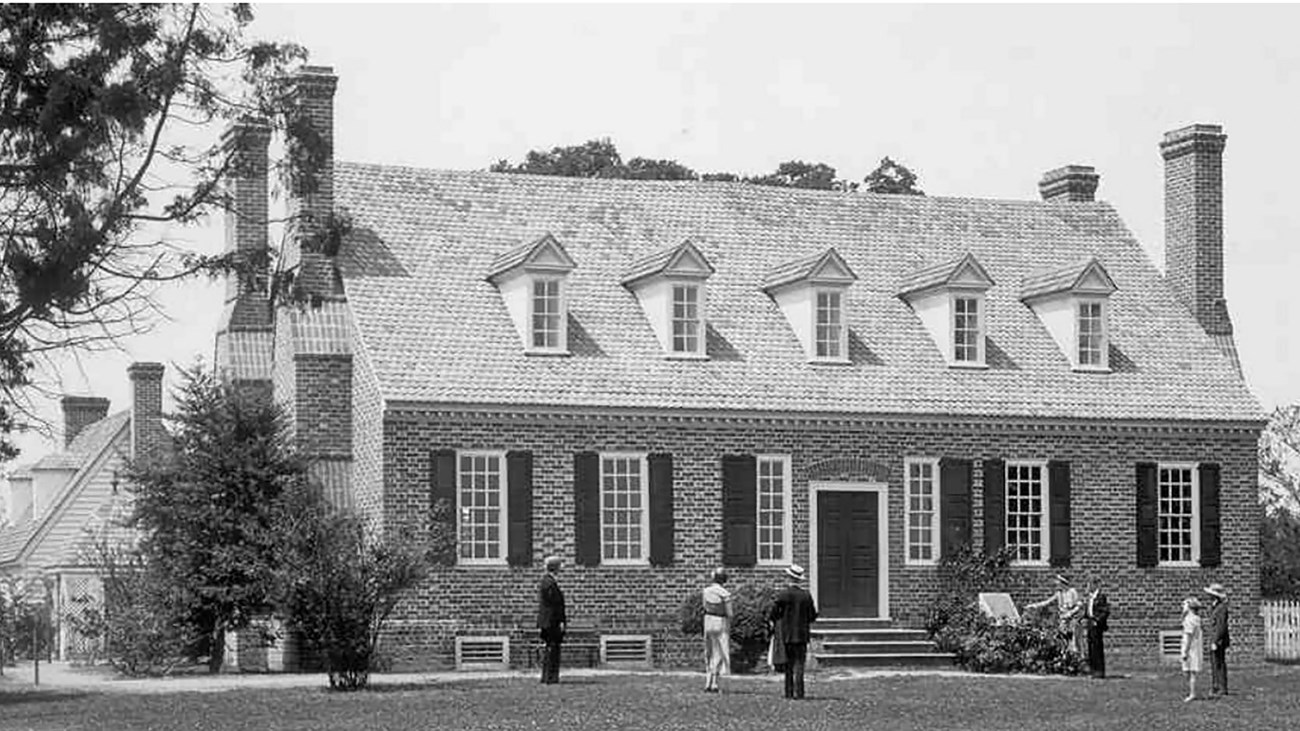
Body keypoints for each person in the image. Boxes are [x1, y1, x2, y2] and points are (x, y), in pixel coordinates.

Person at [768, 564, 817, 700]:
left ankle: (789, 692)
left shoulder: (783, 595)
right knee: (800, 664)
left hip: (787, 634)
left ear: (789, 577)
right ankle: (800, 693)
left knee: (788, 664)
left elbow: (774, 613)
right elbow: (812, 615)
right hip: (802, 634)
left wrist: (774, 621)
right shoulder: (806, 596)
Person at [1026, 574, 1082, 655]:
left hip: (1072, 618)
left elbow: (1078, 605)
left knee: (1072, 640)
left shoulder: (1072, 592)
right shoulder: (1059, 594)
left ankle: (1075, 655)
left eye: (1059, 582)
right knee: (1063, 638)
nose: (1058, 584)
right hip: (1062, 619)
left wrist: (1070, 613)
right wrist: (1034, 605)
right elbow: (1047, 602)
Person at [701, 567, 734, 693]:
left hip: (708, 620)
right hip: (721, 621)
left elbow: (704, 606)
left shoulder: (706, 591)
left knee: (708, 651)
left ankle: (707, 681)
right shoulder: (725, 593)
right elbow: (730, 613)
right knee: (719, 651)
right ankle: (714, 682)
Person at [537, 555, 566, 685]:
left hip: (548, 620)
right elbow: (555, 605)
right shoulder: (549, 583)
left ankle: (548, 676)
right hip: (551, 621)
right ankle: (551, 676)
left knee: (550, 648)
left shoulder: (547, 581)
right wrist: (560, 621)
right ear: (556, 568)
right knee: (553, 648)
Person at [1082, 573, 1110, 678]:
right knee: (1090, 647)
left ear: (1095, 585)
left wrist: (1097, 620)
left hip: (1096, 625)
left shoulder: (1101, 596)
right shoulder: (1090, 596)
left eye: (1090, 584)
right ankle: (1092, 670)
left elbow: (1105, 611)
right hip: (1090, 624)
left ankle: (1099, 671)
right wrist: (1084, 619)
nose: (1088, 587)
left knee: (1097, 647)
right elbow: (1088, 610)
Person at [1204, 582, 1230, 696]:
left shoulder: (1221, 608)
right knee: (1214, 663)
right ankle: (1215, 686)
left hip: (1218, 640)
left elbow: (1221, 626)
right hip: (1214, 638)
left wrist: (1215, 640)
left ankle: (1221, 687)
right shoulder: (1215, 606)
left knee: (1219, 663)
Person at [1181, 597, 1204, 702]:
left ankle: (1192, 693)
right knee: (1189, 672)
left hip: (1190, 648)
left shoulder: (1190, 620)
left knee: (1191, 672)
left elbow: (1189, 636)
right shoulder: (1196, 618)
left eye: (1184, 605)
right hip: (1194, 647)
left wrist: (1185, 651)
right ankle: (1191, 692)